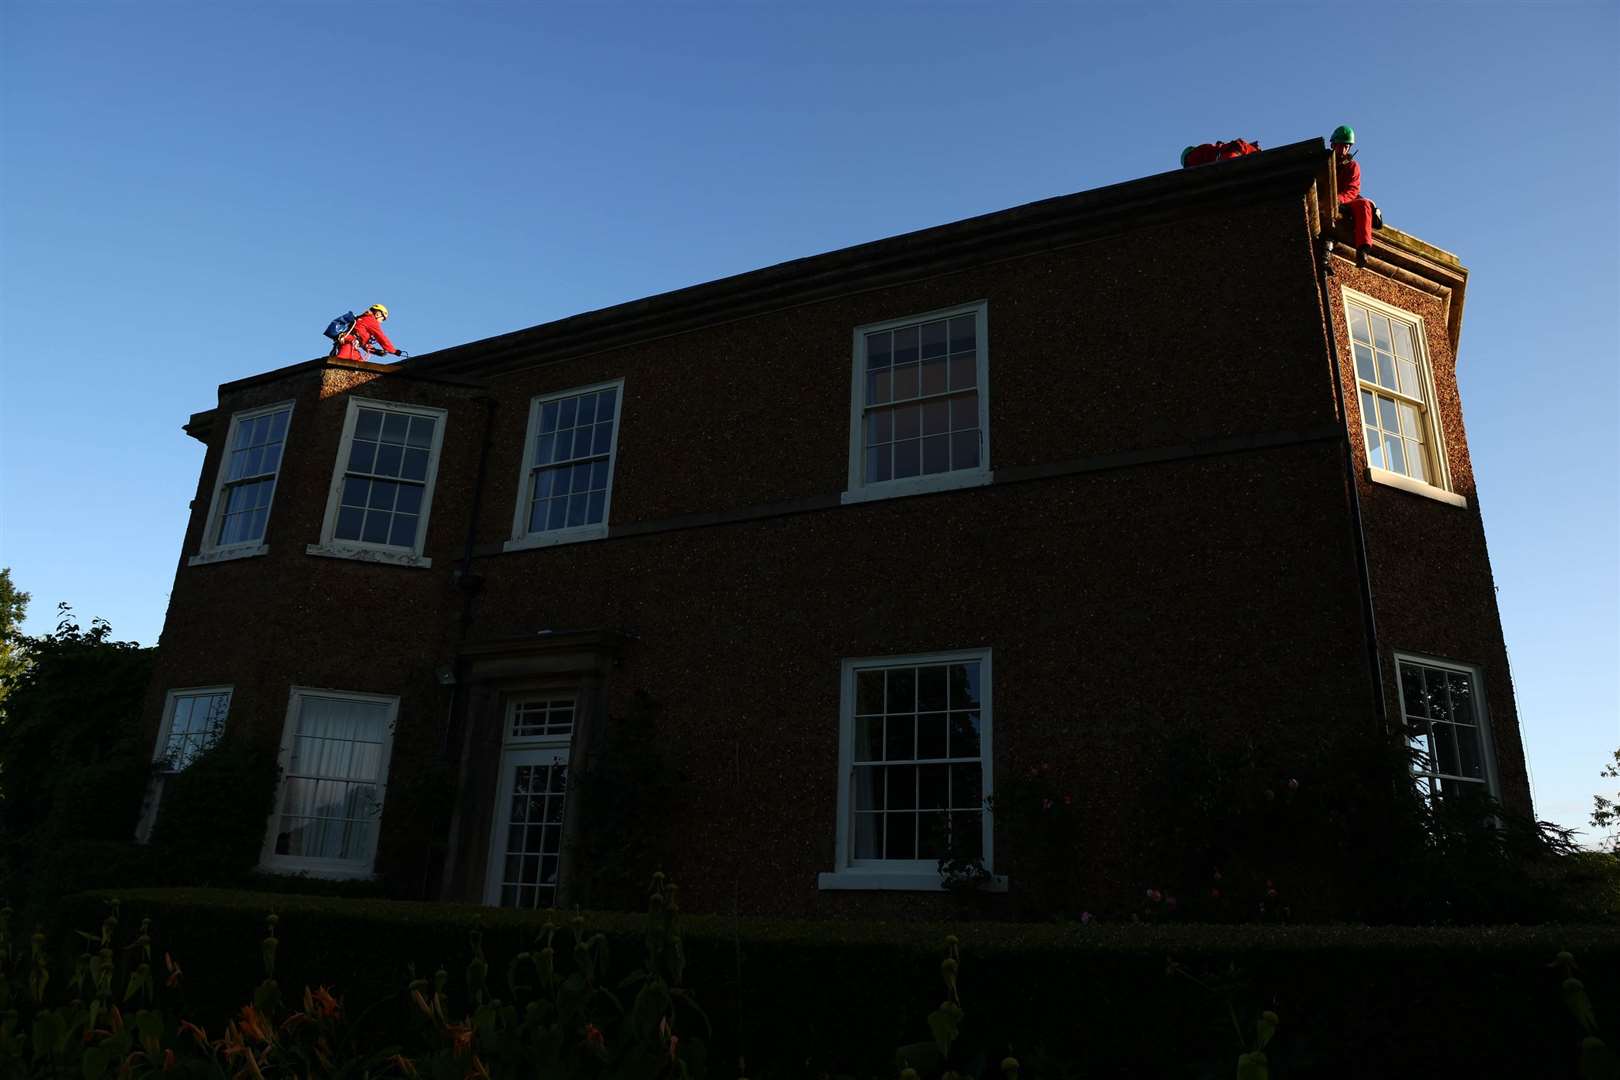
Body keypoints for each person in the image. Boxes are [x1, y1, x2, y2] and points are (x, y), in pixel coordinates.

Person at [1332, 125, 1377, 266]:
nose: (1344, 149)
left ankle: (1363, 249)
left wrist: (1338, 200)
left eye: (1347, 146)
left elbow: (1352, 190)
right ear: (1333, 145)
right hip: (1325, 200)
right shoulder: (1324, 163)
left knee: (1364, 204)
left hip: (1344, 201)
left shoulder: (1352, 166)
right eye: (1341, 146)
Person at [332, 304, 406, 362]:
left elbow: (361, 341)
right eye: (382, 318)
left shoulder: (363, 318)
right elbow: (381, 338)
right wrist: (394, 351)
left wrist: (375, 351)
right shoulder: (371, 320)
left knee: (359, 363)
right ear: (378, 314)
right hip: (349, 345)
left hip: (351, 344)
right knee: (341, 362)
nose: (381, 321)